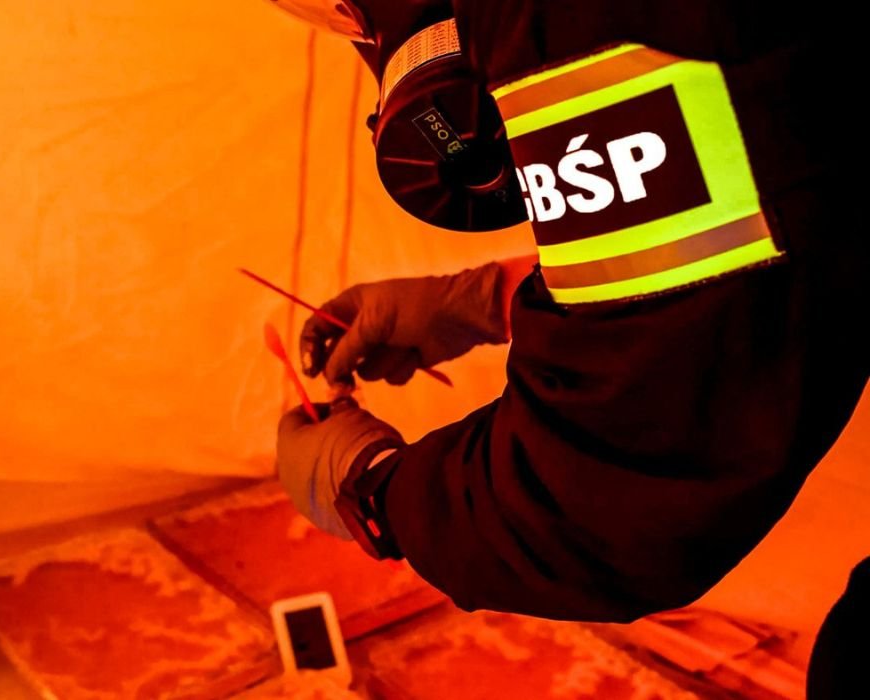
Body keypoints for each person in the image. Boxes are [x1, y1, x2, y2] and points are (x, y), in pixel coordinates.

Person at [269, 0, 867, 646]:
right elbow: (782, 199)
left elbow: (599, 503)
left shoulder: (556, 14)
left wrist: (374, 490)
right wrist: (488, 296)